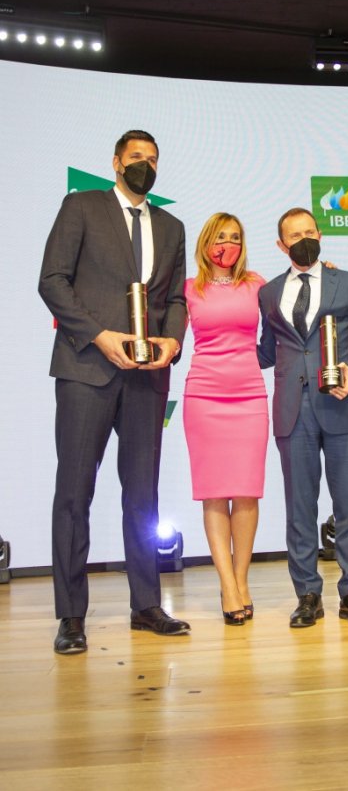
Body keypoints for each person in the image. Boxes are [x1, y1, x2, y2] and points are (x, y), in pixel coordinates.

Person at [39, 129, 190, 655]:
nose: (145, 165)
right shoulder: (81, 207)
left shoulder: (171, 226)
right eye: (136, 157)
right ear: (116, 163)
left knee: (143, 494)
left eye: (153, 158)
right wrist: (99, 336)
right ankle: (71, 616)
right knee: (74, 492)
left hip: (147, 376)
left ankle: (146, 604)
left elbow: (176, 299)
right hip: (87, 368)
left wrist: (172, 339)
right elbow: (52, 281)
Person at [257, 207, 348, 628]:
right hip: (293, 411)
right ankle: (307, 594)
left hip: (343, 406)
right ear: (281, 245)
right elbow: (265, 352)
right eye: (295, 236)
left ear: (320, 234)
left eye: (310, 231)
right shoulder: (268, 293)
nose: (304, 240)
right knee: (299, 509)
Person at [183, 213, 268, 625]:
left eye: (235, 237)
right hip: (204, 396)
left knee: (248, 493)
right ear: (205, 243)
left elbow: (295, 311)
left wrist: (328, 277)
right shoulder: (188, 289)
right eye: (220, 237)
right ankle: (227, 586)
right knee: (215, 493)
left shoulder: (257, 284)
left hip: (250, 395)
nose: (228, 245)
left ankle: (241, 580)